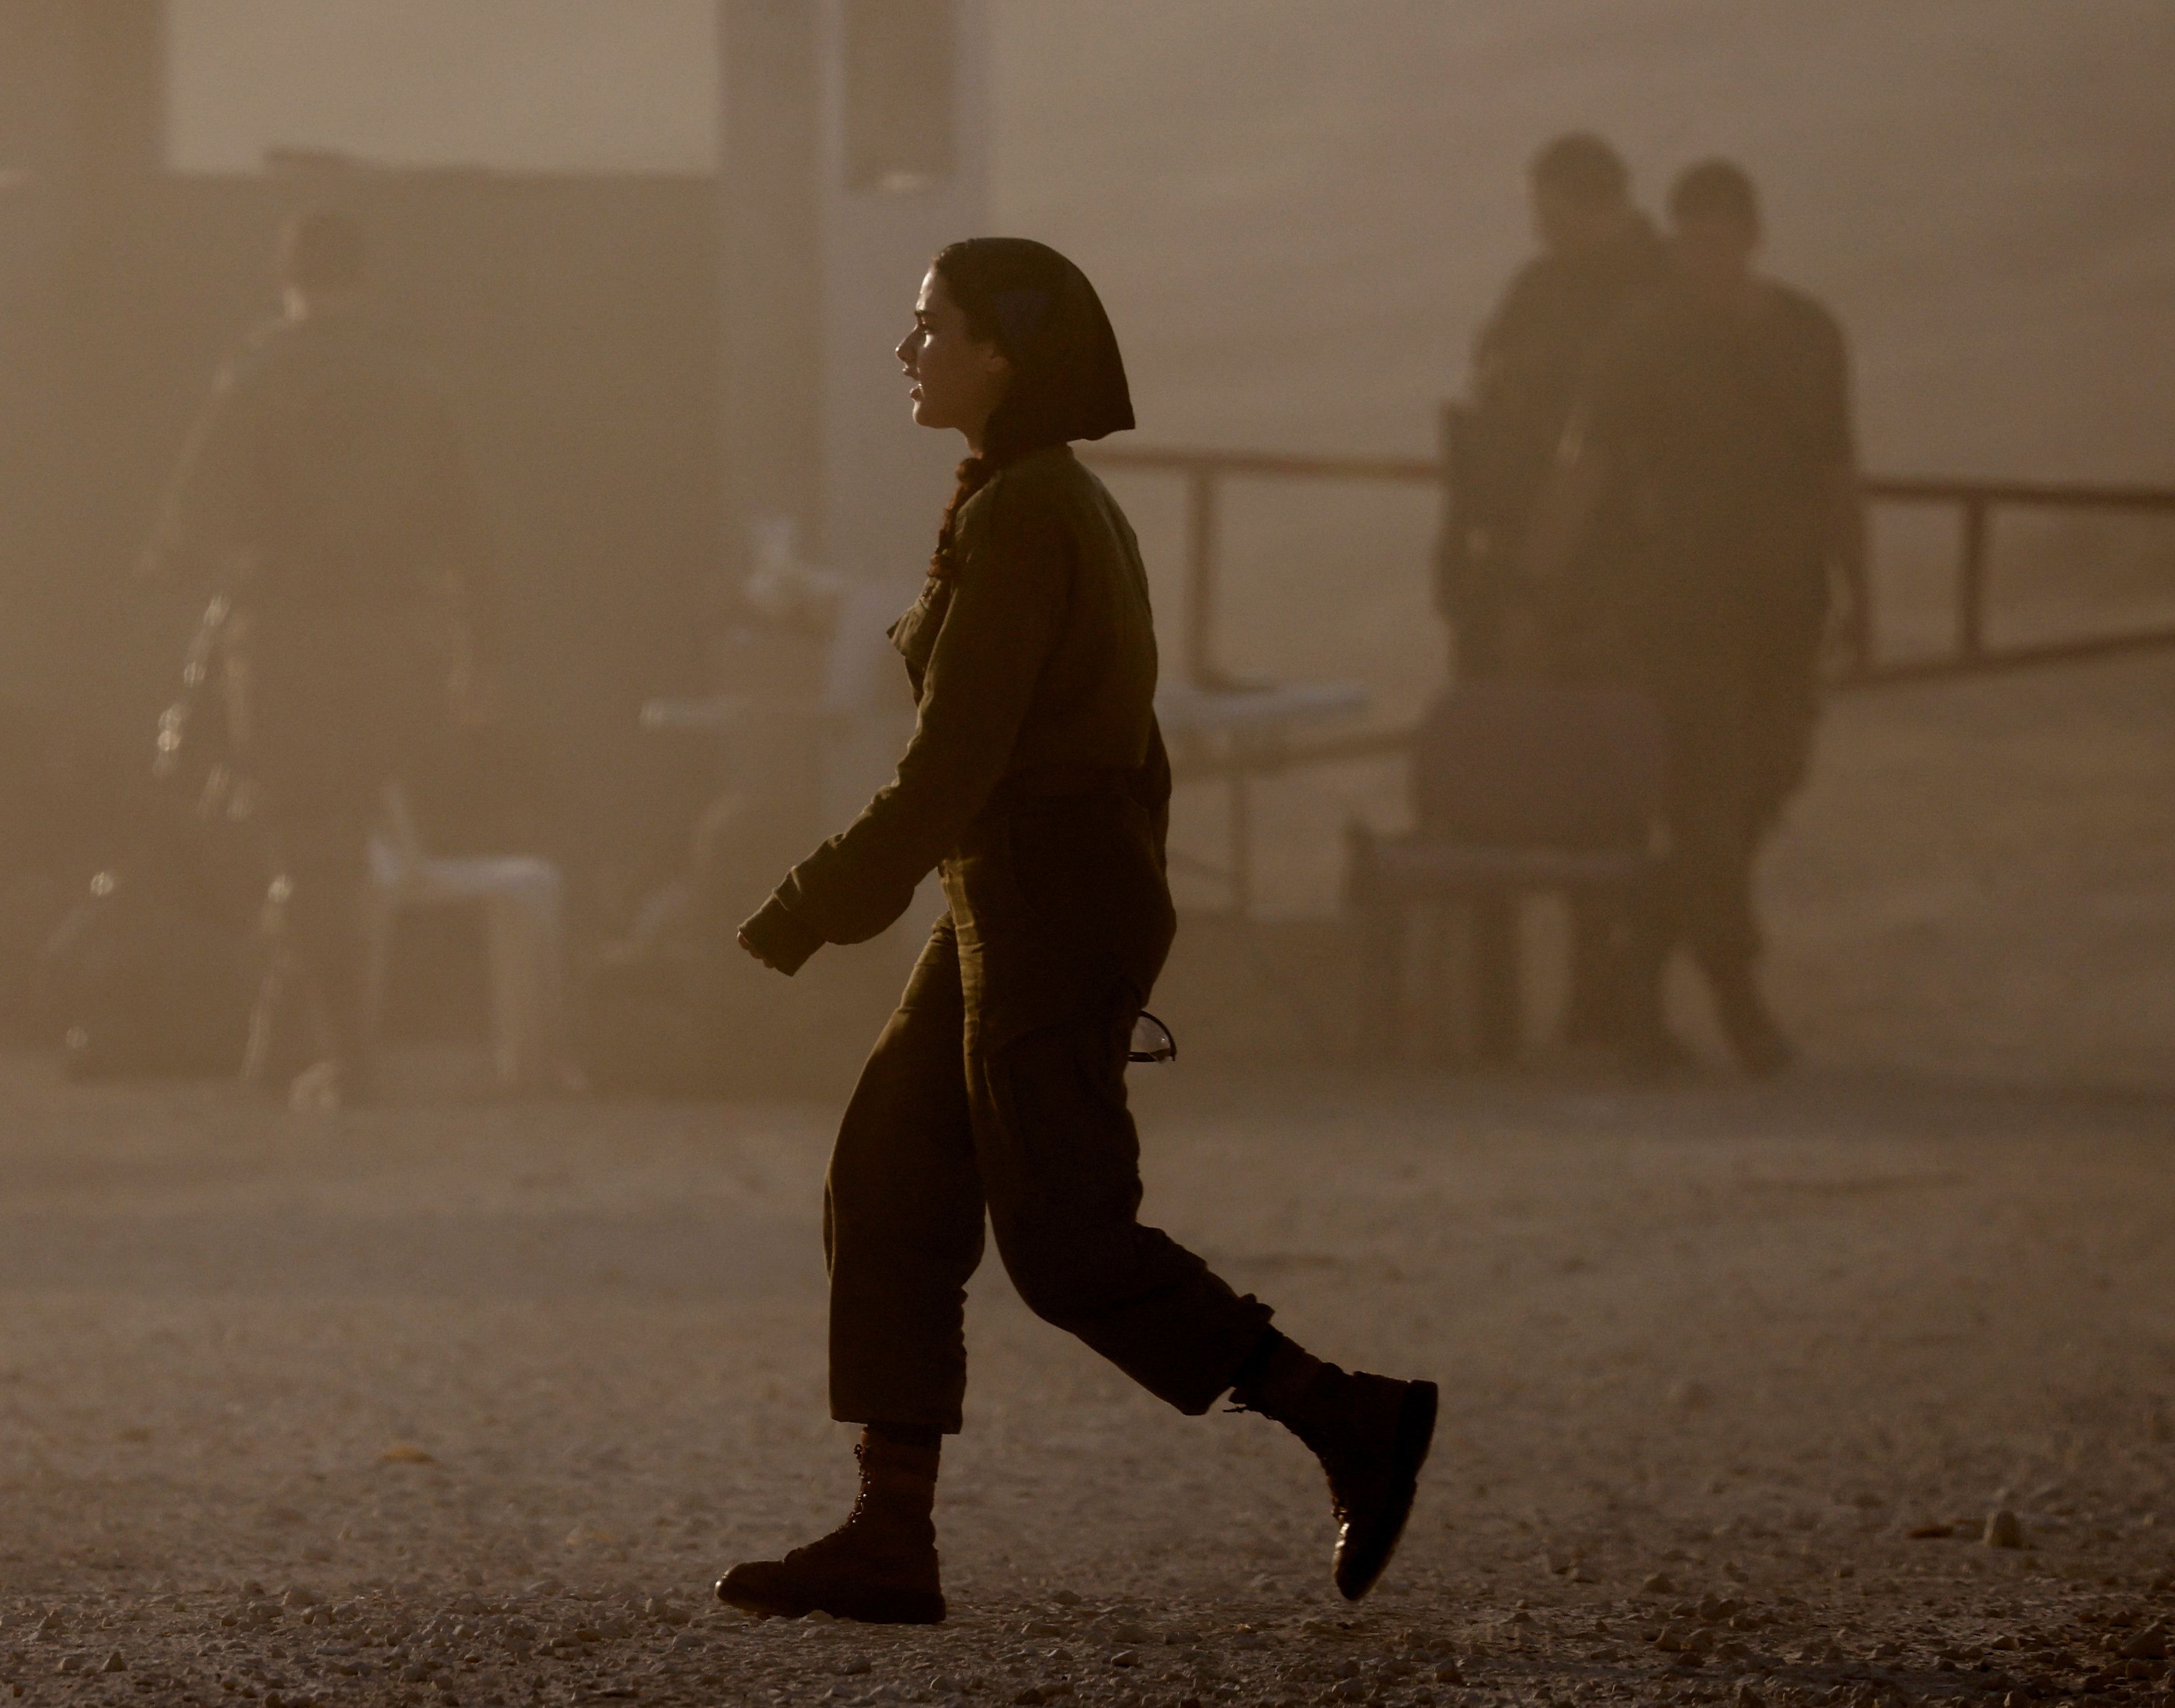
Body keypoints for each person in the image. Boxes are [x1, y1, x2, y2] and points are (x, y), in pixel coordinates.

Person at [718, 238, 1439, 1625]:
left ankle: (1343, 1413)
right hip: (1022, 889)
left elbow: (955, 762)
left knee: (1061, 1240)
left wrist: (809, 907)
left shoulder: (1030, 513)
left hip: (1042, 895)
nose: (907, 349)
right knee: (890, 1170)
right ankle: (889, 1532)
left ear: (1005, 353)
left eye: (933, 326)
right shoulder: (1027, 499)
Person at [139, 208, 491, 1105]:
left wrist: (173, 575)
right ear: (364, 279)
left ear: (285, 277)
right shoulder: (418, 384)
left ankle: (351, 1058)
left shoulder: (260, 378)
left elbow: (187, 528)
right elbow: (473, 533)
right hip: (403, 639)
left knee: (306, 844)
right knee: (338, 839)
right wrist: (474, 656)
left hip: (292, 637)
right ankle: (274, 1045)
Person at [1528, 160, 1871, 1078]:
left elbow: (1838, 469)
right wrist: (1537, 578)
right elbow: (1587, 459)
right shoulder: (1646, 335)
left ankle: (1640, 963)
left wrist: (1861, 590)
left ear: (1751, 236)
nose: (1696, 256)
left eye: (1713, 238)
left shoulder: (1807, 335)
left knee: (1769, 782)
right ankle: (1738, 999)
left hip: (1788, 607)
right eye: (1685, 239)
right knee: (1710, 803)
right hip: (1684, 610)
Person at [1434, 132, 1668, 1056]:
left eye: (1550, 210)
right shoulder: (1541, 291)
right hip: (1509, 578)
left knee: (1605, 791)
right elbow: (1491, 416)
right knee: (1493, 784)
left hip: (1611, 588)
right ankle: (1495, 1010)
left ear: (1586, 202)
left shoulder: (1651, 300)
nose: (1540, 228)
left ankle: (1603, 997)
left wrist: (1543, 577)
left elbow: (1613, 458)